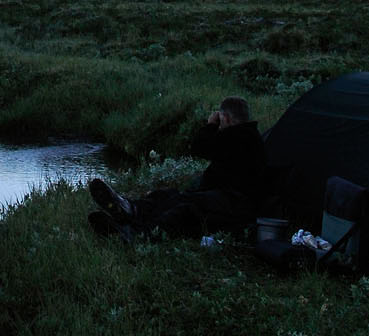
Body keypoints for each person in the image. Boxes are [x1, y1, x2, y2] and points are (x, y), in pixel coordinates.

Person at [86, 97, 267, 240]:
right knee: (167, 195)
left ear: (225, 118)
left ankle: (139, 233)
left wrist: (211, 125)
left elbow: (199, 147)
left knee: (185, 207)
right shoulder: (248, 136)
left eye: (221, 119)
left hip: (237, 203)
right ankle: (130, 209)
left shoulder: (239, 137)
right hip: (227, 196)